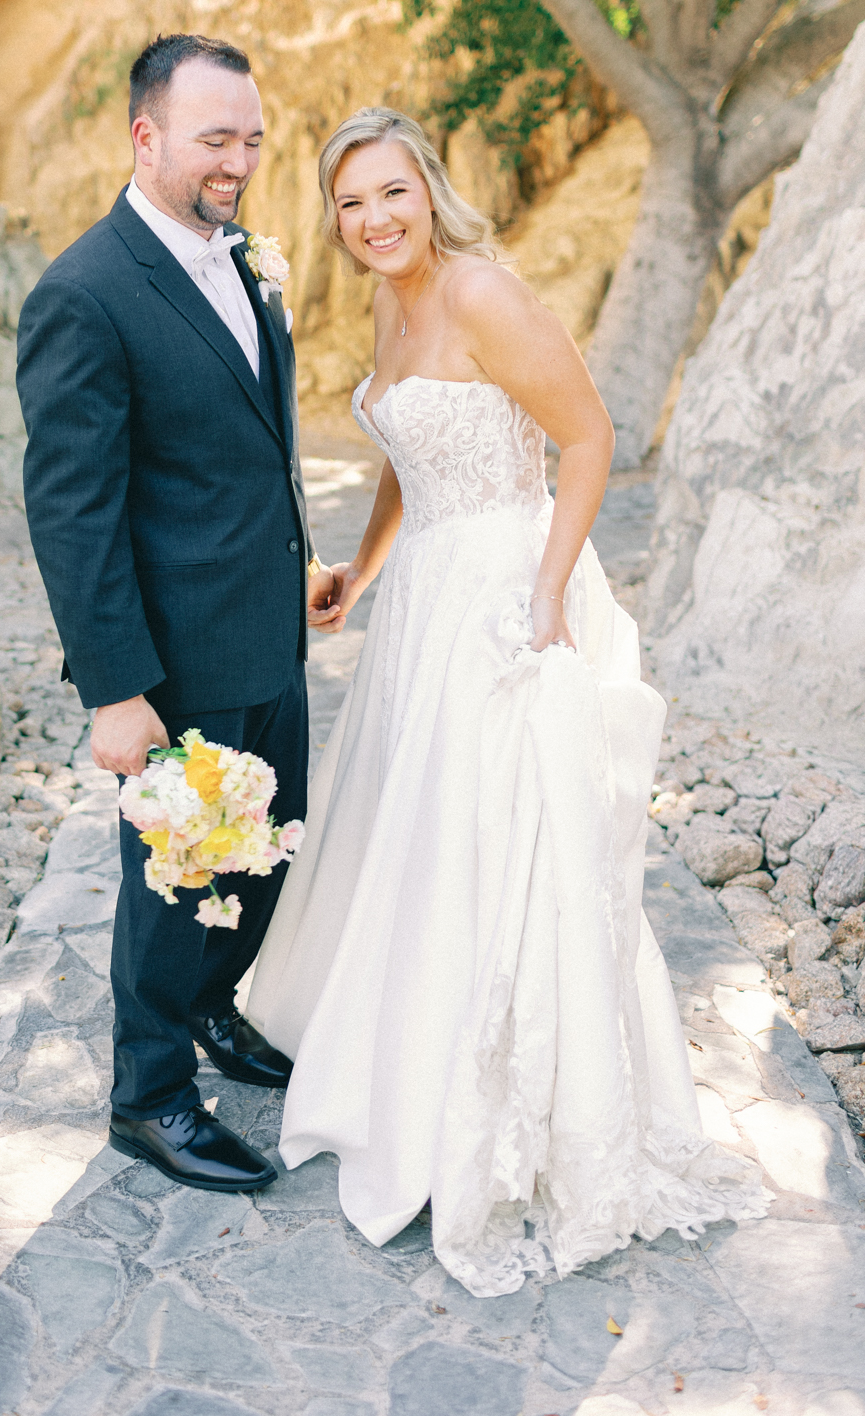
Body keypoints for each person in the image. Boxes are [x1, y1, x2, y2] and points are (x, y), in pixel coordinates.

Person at [248, 108, 768, 1295]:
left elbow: (588, 436)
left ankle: (510, 1113)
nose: (374, 219)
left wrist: (545, 598)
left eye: (392, 193)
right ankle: (403, 1068)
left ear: (429, 187)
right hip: (421, 602)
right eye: (350, 204)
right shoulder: (391, 300)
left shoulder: (482, 292)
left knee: (507, 845)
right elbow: (406, 459)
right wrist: (359, 575)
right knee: (419, 838)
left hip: (502, 595)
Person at [17, 34, 323, 1194]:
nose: (238, 160)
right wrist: (113, 688)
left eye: (251, 137)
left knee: (263, 857)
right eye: (214, 138)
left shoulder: (239, 260)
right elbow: (74, 513)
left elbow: (243, 448)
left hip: (265, 638)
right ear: (145, 137)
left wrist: (292, 567)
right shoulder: (84, 293)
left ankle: (210, 1008)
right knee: (175, 883)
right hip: (171, 664)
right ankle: (147, 1097)